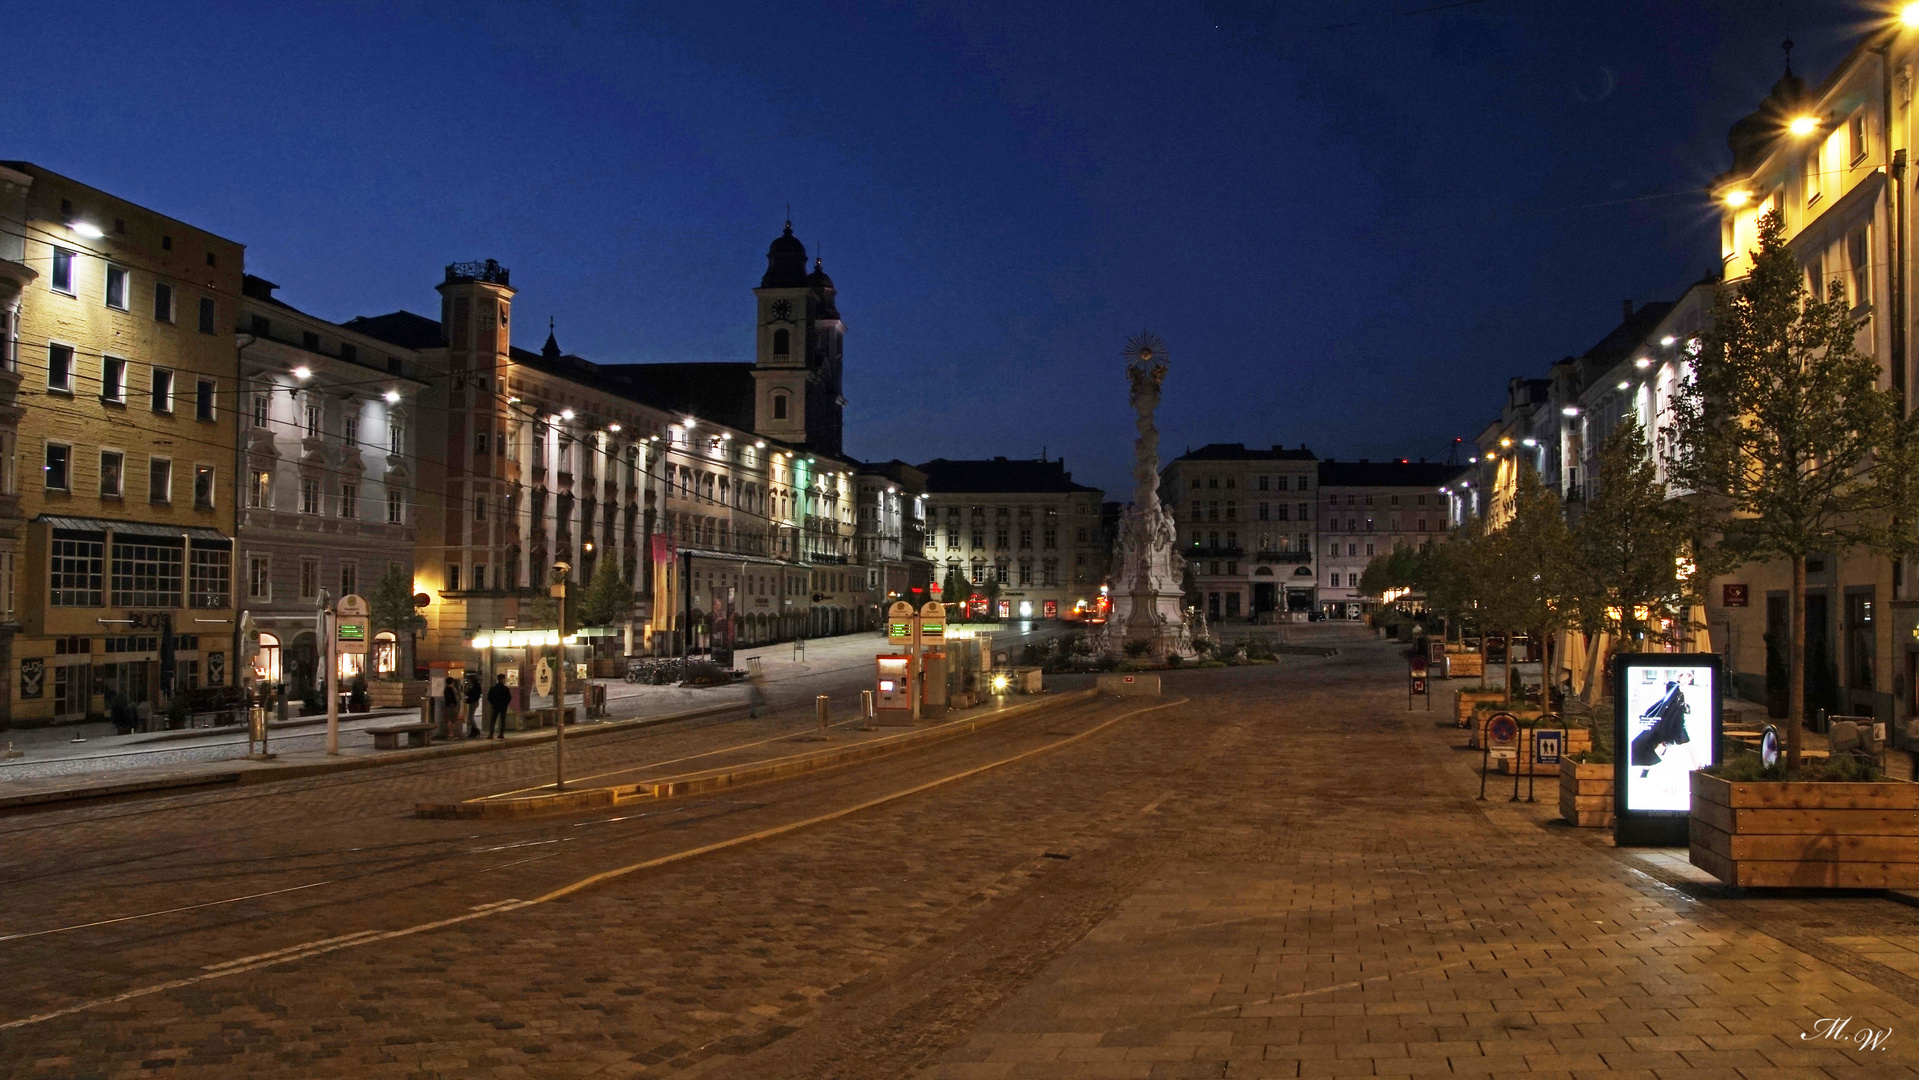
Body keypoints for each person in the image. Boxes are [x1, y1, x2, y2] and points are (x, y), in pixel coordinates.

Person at [485, 674, 513, 739]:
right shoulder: (505, 689)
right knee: (503, 720)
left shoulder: (494, 688)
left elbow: (489, 697)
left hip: (496, 706)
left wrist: (493, 703)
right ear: (503, 679)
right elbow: (509, 698)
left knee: (493, 720)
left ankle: (491, 734)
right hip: (503, 706)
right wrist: (505, 703)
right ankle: (501, 734)